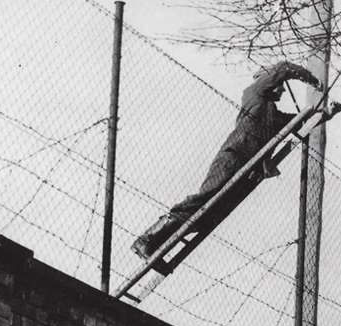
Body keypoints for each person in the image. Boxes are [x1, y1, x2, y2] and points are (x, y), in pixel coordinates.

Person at [132, 60, 321, 258]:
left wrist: (319, 113)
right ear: (266, 82)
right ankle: (147, 239)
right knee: (206, 198)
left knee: (212, 214)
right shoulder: (254, 95)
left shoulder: (271, 113)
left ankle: (159, 249)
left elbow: (295, 120)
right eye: (279, 85)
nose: (282, 90)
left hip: (249, 168)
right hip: (235, 157)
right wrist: (308, 77)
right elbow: (283, 69)